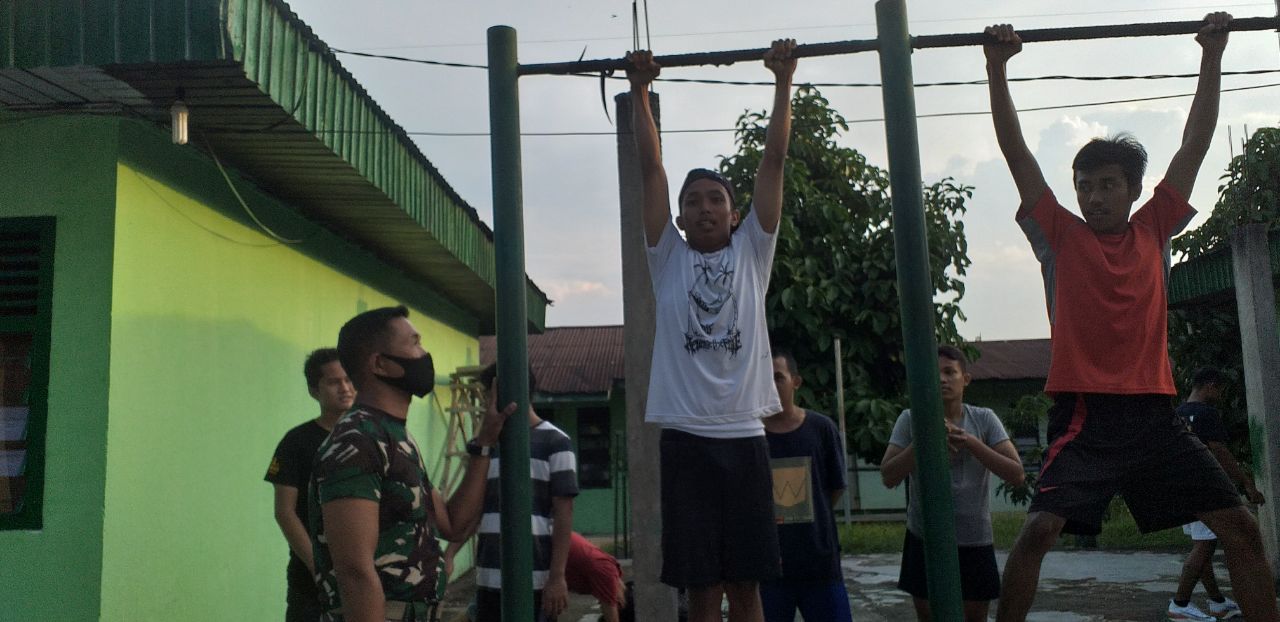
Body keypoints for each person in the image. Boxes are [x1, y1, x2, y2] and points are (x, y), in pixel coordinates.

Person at [984, 14, 1280, 622]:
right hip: (1086, 415)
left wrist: (1212, 55)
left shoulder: (1154, 228)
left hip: (1153, 416)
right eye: (1085, 185)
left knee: (1241, 529)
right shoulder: (1058, 236)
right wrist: (996, 68)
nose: (1094, 196)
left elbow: (1195, 143)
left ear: (1132, 189)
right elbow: (1015, 156)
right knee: (1037, 531)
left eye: (1107, 185)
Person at [625, 38, 797, 622]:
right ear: (678, 218)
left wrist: (782, 81)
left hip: (745, 436)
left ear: (733, 212)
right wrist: (642, 91)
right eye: (692, 201)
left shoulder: (753, 252)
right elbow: (651, 168)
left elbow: (772, 162)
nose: (704, 208)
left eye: (716, 199)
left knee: (746, 585)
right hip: (686, 440)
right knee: (701, 589)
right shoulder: (666, 256)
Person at [309, 306, 515, 622]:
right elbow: (354, 572)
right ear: (380, 364)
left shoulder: (396, 437)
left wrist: (484, 443)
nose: (424, 353)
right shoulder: (357, 440)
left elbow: (453, 524)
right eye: (415, 343)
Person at [880, 346, 1025, 622]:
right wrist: (922, 443)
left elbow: (1016, 475)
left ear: (965, 379)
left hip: (974, 537)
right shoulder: (910, 419)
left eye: (950, 372)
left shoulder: (983, 419)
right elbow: (888, 476)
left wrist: (970, 442)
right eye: (935, 374)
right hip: (924, 537)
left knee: (974, 617)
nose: (942, 380)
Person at [471, 362, 578, 622]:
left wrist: (557, 577)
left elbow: (564, 514)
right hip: (488, 577)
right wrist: (450, 554)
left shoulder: (556, 442)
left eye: (488, 394)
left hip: (535, 579)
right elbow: (474, 507)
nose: (486, 402)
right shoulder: (485, 444)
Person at [760, 348, 852, 622]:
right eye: (765, 379)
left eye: (778, 377)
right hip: (769, 568)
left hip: (819, 564)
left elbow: (834, 488)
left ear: (795, 382)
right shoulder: (751, 434)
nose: (771, 385)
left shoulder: (821, 429)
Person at [265, 348, 356, 622]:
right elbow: (284, 512)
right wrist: (321, 571)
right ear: (313, 391)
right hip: (310, 587)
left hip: (368, 580)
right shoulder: (296, 442)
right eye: (333, 382)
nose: (345, 388)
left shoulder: (370, 438)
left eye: (349, 379)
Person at [1168, 367, 1265, 621]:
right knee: (1205, 546)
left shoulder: (1177, 414)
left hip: (1183, 488)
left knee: (1203, 548)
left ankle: (1217, 602)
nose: (1221, 394)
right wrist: (1246, 484)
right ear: (1210, 385)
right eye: (1220, 389)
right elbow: (1220, 451)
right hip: (1205, 488)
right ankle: (1180, 604)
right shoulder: (1206, 414)